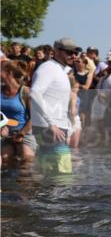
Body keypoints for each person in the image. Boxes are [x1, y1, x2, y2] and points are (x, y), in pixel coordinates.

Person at [30, 38, 77, 175]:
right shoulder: (48, 68)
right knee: (64, 170)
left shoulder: (59, 70)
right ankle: (60, 196)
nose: (73, 56)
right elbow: (34, 93)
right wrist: (51, 123)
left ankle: (46, 196)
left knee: (50, 171)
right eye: (69, 52)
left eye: (75, 52)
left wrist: (68, 124)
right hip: (50, 127)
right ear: (55, 51)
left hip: (55, 126)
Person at [0, 61, 35, 164]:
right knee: (5, 157)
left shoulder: (25, 92)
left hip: (24, 133)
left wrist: (21, 134)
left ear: (9, 73)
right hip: (4, 134)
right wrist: (1, 127)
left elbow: (35, 117)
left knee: (27, 158)